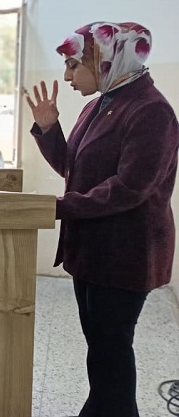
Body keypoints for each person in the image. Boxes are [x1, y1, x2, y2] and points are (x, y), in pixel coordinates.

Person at [26, 21, 178, 417]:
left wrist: (56, 207)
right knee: (102, 348)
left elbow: (130, 187)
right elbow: (72, 167)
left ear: (107, 59)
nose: (67, 76)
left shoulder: (151, 111)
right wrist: (48, 129)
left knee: (111, 349)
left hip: (125, 253)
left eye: (74, 65)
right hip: (94, 248)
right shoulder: (101, 103)